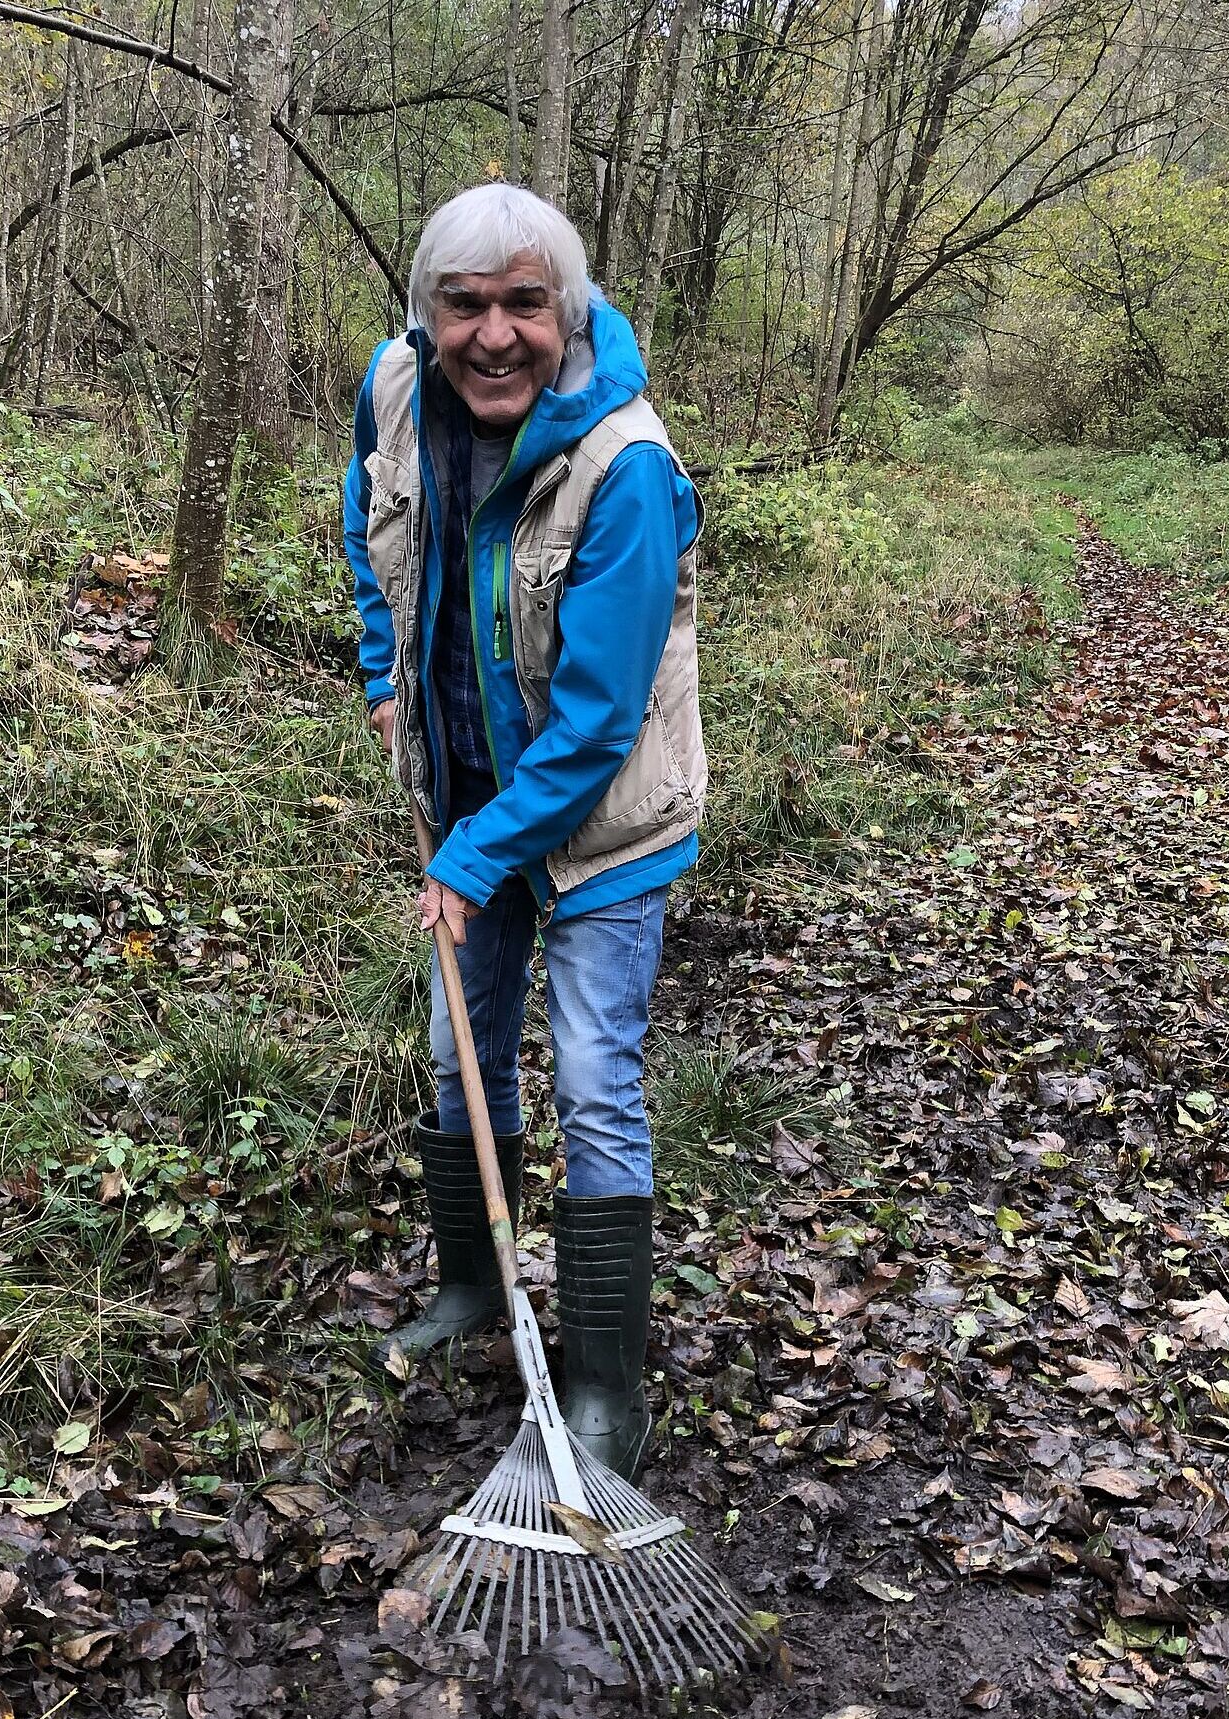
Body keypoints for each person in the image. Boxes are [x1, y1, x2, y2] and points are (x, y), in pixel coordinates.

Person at [343, 183, 705, 1482]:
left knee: (597, 1086)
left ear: (574, 310)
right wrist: (387, 674)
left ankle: (606, 1385)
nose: (494, 335)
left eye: (523, 304)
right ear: (426, 316)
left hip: (602, 820)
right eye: (465, 306)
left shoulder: (629, 469)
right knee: (459, 1056)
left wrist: (475, 855)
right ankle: (476, 1293)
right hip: (465, 795)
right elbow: (369, 527)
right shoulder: (394, 391)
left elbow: (602, 718)